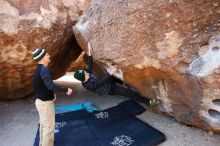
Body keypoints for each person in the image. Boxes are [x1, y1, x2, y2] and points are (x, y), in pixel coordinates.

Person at [73, 43, 159, 106]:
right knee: (130, 93)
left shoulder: (86, 74)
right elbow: (101, 82)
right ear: (83, 79)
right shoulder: (88, 85)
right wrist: (110, 72)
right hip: (109, 89)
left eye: (85, 72)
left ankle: (124, 84)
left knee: (115, 78)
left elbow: (90, 63)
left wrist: (89, 51)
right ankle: (148, 102)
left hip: (107, 82)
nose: (87, 73)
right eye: (85, 74)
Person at [32, 48, 73, 146]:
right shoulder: (44, 70)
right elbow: (50, 85)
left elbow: (43, 85)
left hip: (40, 102)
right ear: (42, 58)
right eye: (47, 55)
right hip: (45, 104)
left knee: (43, 126)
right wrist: (66, 90)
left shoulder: (38, 70)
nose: (49, 56)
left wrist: (51, 95)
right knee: (49, 128)